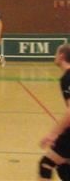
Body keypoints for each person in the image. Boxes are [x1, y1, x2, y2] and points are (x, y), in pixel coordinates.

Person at [38, 43, 70, 181]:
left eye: (56, 54)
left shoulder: (67, 78)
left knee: (46, 164)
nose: (54, 56)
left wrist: (53, 134)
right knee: (64, 167)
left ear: (61, 56)